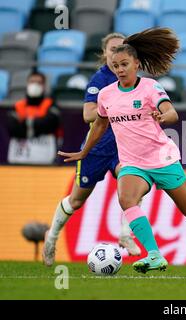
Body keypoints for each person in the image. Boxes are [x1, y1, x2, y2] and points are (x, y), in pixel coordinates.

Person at [58, 27, 186, 273]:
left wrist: (163, 116)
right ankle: (154, 255)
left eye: (124, 64)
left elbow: (171, 112)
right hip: (133, 163)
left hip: (162, 159)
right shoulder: (106, 95)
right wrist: (84, 152)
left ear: (136, 64)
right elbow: (99, 124)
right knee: (126, 200)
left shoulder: (150, 88)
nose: (119, 70)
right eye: (115, 65)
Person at [42, 33, 141, 267]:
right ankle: (51, 237)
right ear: (104, 53)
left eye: (121, 49)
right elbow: (88, 114)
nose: (117, 53)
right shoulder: (100, 79)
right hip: (96, 148)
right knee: (76, 201)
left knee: (136, 183)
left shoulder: (132, 79)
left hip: (122, 148)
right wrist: (117, 108)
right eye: (112, 49)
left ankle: (126, 234)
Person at [6, 70, 61, 142]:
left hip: (44, 148)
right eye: (32, 82)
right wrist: (35, 127)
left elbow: (51, 124)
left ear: (44, 86)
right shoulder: (18, 105)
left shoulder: (50, 104)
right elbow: (12, 128)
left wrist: (26, 122)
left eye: (39, 83)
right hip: (20, 149)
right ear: (27, 84)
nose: (35, 85)